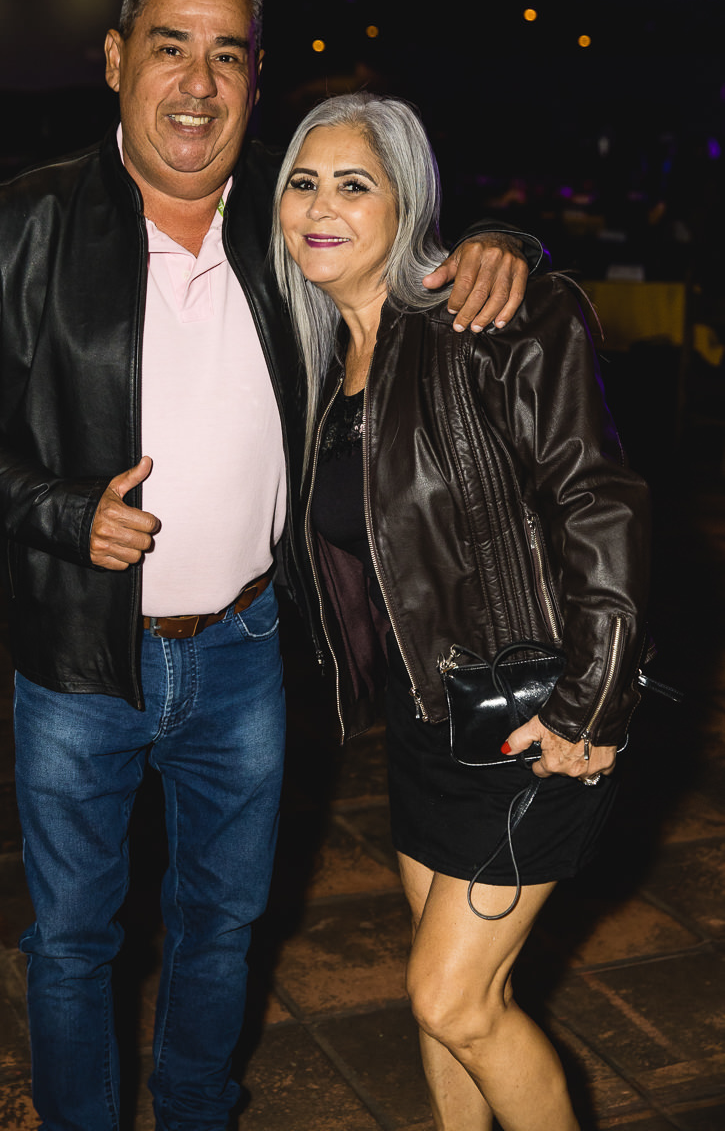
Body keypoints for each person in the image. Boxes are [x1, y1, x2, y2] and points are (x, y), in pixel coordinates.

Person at [0, 0, 541, 1131]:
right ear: (115, 60)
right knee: (72, 938)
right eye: (170, 47)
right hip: (80, 660)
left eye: (229, 55)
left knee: (223, 922)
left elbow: (414, 257)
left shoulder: (292, 225)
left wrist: (511, 242)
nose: (198, 83)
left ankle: (198, 1111)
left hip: (248, 650)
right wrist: (60, 509)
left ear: (257, 77)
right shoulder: (16, 223)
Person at [273, 93, 650, 1131]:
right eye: (302, 183)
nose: (320, 207)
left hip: (535, 717)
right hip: (428, 721)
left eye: (354, 184)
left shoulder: (491, 320)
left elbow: (599, 503)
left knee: (452, 998)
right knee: (452, 1002)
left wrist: (590, 705)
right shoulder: (316, 364)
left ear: (407, 204)